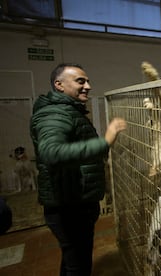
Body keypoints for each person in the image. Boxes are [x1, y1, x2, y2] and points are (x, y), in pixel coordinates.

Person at [30, 63, 127, 276]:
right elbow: (52, 153)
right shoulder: (54, 115)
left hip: (76, 201)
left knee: (73, 261)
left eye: (88, 81)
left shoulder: (68, 111)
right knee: (79, 266)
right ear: (59, 85)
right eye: (80, 81)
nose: (88, 86)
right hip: (69, 206)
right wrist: (106, 141)